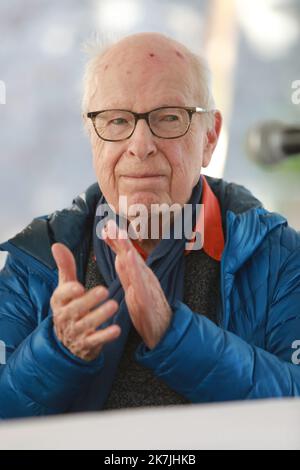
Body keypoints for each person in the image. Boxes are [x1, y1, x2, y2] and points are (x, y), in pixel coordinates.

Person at [0, 32, 299, 420]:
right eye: (117, 120)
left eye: (169, 118)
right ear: (93, 136)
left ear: (209, 137)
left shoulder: (280, 257)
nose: (141, 145)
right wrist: (58, 350)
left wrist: (175, 333)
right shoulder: (31, 263)